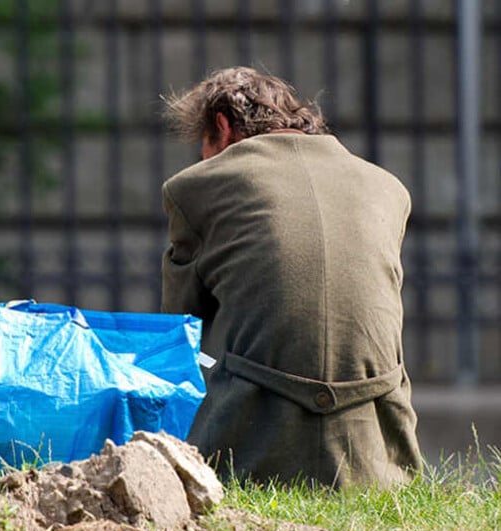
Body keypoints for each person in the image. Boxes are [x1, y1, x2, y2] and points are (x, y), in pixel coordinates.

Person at [160, 66, 423, 487]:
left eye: (203, 145)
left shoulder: (197, 187)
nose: (203, 160)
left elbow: (179, 330)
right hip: (379, 460)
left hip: (249, 457)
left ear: (223, 127)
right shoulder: (387, 188)